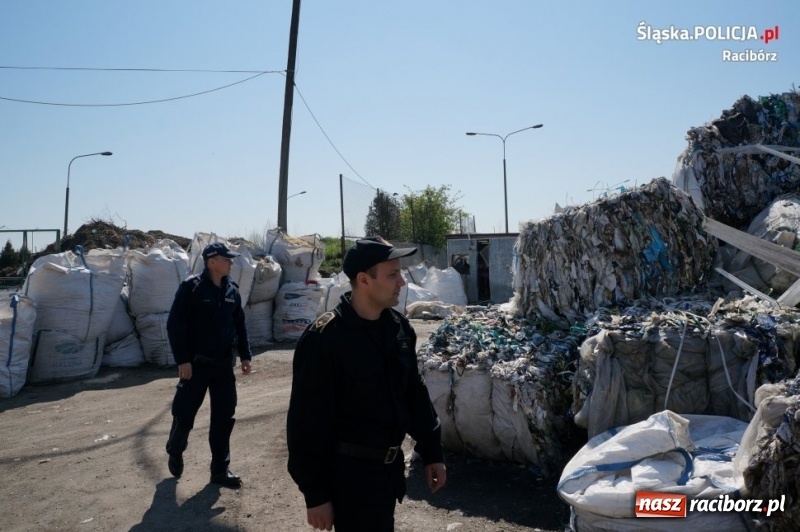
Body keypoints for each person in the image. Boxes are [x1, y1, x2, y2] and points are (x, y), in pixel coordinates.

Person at [287, 236, 447, 531]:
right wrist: (316, 494)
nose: (401, 282)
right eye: (392, 274)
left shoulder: (398, 329)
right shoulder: (325, 339)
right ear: (364, 280)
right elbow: (305, 423)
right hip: (349, 479)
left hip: (387, 475)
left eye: (400, 273)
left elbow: (413, 394)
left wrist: (432, 451)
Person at [165, 242, 252, 489]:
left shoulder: (232, 290)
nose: (231, 262)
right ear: (212, 261)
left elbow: (240, 325)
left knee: (224, 417)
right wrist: (182, 359)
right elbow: (175, 325)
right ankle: (175, 449)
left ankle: (219, 470)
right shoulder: (191, 288)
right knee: (184, 414)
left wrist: (246, 355)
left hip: (223, 365)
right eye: (227, 259)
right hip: (196, 364)